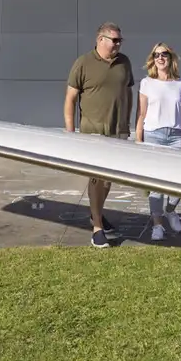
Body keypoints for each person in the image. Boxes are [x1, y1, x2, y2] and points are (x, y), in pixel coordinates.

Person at [64, 22, 135, 249]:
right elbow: (70, 99)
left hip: (117, 130)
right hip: (92, 131)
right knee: (96, 178)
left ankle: (97, 214)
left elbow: (128, 92)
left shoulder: (124, 62)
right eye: (115, 40)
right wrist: (70, 132)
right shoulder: (83, 63)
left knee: (107, 179)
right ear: (100, 39)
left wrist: (127, 124)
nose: (118, 44)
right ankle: (97, 228)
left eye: (120, 40)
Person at [135, 42, 181, 241]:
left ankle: (170, 210)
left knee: (180, 181)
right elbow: (141, 113)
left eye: (164, 54)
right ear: (152, 60)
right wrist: (138, 139)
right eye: (156, 55)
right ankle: (157, 225)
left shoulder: (180, 84)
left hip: (176, 136)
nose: (160, 58)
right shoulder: (147, 83)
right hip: (153, 134)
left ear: (171, 58)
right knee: (156, 184)